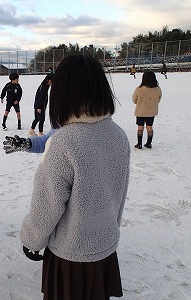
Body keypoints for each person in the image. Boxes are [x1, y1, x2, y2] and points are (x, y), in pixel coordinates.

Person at [20, 55, 130, 300]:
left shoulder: (64, 142)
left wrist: (32, 239)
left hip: (71, 253)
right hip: (105, 245)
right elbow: (119, 193)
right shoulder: (117, 135)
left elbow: (47, 205)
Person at [132, 71, 162, 149]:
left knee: (140, 127)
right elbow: (159, 99)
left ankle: (139, 144)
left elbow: (134, 99)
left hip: (140, 112)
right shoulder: (158, 89)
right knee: (149, 127)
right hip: (151, 112)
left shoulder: (139, 89)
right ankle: (149, 143)